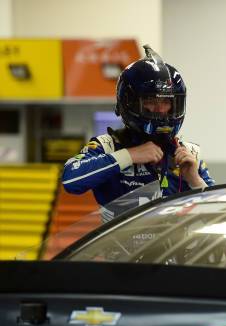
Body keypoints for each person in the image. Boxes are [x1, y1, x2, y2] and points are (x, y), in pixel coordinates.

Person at [62, 45, 214, 220]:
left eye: (167, 102)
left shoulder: (189, 153)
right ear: (129, 102)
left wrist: (195, 180)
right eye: (151, 101)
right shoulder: (108, 145)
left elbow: (216, 217)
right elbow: (70, 180)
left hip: (173, 248)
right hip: (119, 247)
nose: (161, 110)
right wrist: (129, 155)